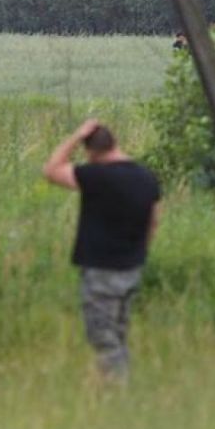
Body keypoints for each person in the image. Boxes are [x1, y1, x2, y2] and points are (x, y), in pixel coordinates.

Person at [42, 119, 161, 380]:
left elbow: (51, 170)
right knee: (119, 333)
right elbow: (153, 223)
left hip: (100, 271)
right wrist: (139, 252)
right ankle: (120, 382)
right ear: (114, 142)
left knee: (104, 340)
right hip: (132, 268)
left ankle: (116, 393)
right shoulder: (146, 177)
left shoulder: (94, 175)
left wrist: (76, 135)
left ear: (91, 152)